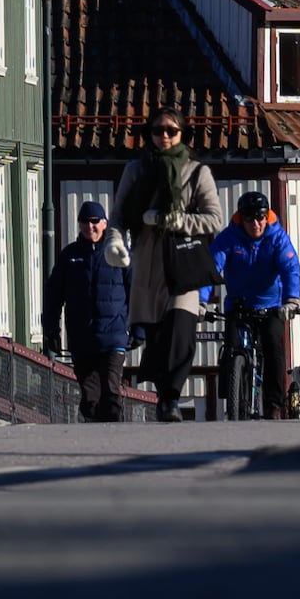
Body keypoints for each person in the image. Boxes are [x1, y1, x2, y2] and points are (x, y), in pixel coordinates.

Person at [116, 110, 224, 416]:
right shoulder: (136, 171)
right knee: (158, 336)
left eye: (171, 131)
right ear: (148, 133)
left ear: (182, 135)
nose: (164, 136)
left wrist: (177, 220)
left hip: (182, 262)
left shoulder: (196, 172)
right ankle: (164, 393)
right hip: (148, 266)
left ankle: (172, 396)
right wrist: (114, 238)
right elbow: (119, 214)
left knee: (181, 328)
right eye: (158, 130)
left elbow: (214, 218)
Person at [200, 187, 300, 420]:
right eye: (249, 219)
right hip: (239, 304)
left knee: (274, 350)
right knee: (231, 347)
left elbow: (290, 269)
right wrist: (201, 301)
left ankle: (274, 405)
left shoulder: (277, 237)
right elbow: (210, 269)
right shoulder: (229, 238)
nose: (256, 224)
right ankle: (233, 396)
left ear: (267, 216)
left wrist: (291, 300)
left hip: (272, 305)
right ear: (240, 218)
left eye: (260, 218)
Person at [46, 198, 139, 422]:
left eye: (95, 221)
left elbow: (136, 292)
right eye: (85, 222)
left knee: (111, 392)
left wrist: (139, 329)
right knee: (90, 398)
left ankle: (115, 440)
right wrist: (51, 330)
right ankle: (95, 438)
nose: (90, 227)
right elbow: (53, 295)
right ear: (79, 225)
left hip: (113, 337)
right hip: (82, 339)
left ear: (105, 223)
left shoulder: (119, 253)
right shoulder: (70, 256)